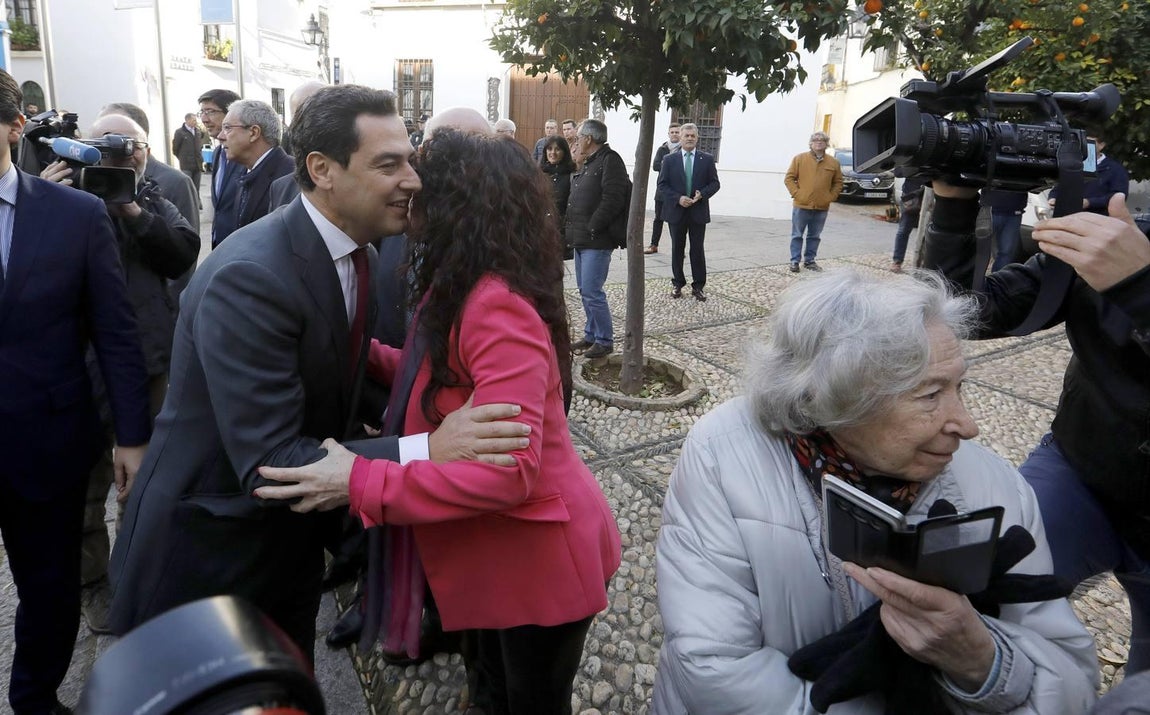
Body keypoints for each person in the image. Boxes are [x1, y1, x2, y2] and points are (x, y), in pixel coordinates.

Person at [108, 85, 529, 660]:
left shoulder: (361, 250)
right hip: (212, 565)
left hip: (283, 552)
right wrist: (426, 449)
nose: (413, 179)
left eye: (410, 159)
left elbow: (338, 372)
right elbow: (273, 462)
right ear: (322, 169)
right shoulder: (253, 277)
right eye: (389, 164)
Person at [254, 128, 621, 715]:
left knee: (525, 702)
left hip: (538, 561)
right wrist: (353, 345)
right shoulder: (464, 283)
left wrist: (361, 479)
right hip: (496, 553)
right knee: (489, 690)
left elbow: (508, 473)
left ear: (458, 204)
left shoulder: (496, 304)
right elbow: (436, 371)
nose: (407, 195)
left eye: (421, 186)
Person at [652, 269, 1099, 714]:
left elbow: (1072, 682)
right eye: (929, 395)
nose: (968, 425)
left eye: (958, 386)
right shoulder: (723, 455)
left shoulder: (997, 487)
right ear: (834, 400)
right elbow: (713, 670)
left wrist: (982, 661)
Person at [921, 180, 1150, 673]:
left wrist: (1140, 290)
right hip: (1082, 474)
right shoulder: (1126, 236)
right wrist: (955, 205)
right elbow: (963, 313)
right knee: (977, 596)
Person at [0, 69, 151, 715]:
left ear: (12, 126)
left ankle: (35, 699)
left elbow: (117, 333)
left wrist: (133, 435)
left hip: (49, 440)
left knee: (52, 586)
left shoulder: (76, 214)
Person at [38, 112, 199, 636]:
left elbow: (181, 256)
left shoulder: (149, 196)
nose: (111, 156)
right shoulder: (52, 199)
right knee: (83, 488)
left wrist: (132, 208)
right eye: (99, 146)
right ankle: (92, 587)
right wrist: (44, 200)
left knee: (143, 482)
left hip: (144, 360)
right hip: (72, 366)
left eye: (123, 145)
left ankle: (134, 579)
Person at [566, 119, 629, 359]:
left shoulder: (610, 160)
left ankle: (605, 340)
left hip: (597, 239)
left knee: (593, 291)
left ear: (589, 139)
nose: (576, 140)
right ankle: (591, 334)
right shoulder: (591, 161)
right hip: (583, 239)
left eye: (578, 136)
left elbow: (613, 198)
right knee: (584, 290)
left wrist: (593, 225)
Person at [212, 99, 295, 247]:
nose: (220, 136)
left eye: (228, 128)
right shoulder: (245, 170)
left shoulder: (292, 176)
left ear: (254, 132)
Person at [657, 122, 719, 301]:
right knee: (677, 248)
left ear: (697, 138)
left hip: (698, 211)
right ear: (680, 138)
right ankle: (678, 283)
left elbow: (715, 183)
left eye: (693, 136)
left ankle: (698, 286)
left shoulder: (706, 159)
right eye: (687, 136)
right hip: (677, 211)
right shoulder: (670, 159)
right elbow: (662, 185)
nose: (690, 138)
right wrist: (678, 198)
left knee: (697, 249)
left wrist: (703, 194)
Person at [784, 131, 842, 272]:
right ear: (811, 143)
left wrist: (830, 197)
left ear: (826, 144)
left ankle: (810, 261)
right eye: (815, 140)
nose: (819, 142)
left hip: (821, 206)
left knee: (814, 236)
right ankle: (794, 261)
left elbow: (838, 183)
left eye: (822, 140)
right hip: (801, 205)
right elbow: (789, 178)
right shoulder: (799, 159)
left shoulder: (833, 163)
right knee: (797, 235)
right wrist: (797, 194)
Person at [199, 88, 244, 248]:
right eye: (202, 112)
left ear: (231, 114)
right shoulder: (218, 152)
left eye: (210, 111)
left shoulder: (246, 155)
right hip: (220, 243)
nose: (204, 119)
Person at [1049, 136, 1130, 215]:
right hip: (1067, 216)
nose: (1085, 146)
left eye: (1089, 143)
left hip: (1097, 219)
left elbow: (1118, 196)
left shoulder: (1115, 169)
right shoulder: (1074, 164)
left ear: (1101, 145)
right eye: (1083, 142)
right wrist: (1053, 198)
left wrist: (1089, 202)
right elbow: (1059, 187)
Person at [645, 122, 680, 255]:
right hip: (661, 191)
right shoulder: (662, 148)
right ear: (669, 134)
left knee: (675, 220)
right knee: (658, 218)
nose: (675, 134)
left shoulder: (683, 150)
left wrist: (666, 164)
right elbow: (655, 165)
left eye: (677, 132)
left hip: (677, 191)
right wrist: (670, 165)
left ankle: (677, 248)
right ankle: (654, 245)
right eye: (672, 132)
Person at [539, 134, 575, 259]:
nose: (553, 153)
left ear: (564, 152)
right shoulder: (538, 173)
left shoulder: (571, 175)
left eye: (557, 149)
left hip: (562, 230)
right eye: (549, 149)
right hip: (540, 230)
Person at [981, 189, 1028, 271]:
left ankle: (997, 279)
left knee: (1007, 252)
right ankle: (973, 279)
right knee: (979, 250)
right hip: (989, 211)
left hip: (1014, 214)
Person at [890, 176, 925, 272]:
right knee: (903, 230)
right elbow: (899, 172)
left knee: (930, 231)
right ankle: (897, 261)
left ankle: (926, 262)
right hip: (911, 196)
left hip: (930, 195)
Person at [171, 112, 209, 192]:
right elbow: (175, 149)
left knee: (196, 190)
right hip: (186, 166)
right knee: (188, 190)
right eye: (194, 120)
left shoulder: (198, 131)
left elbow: (199, 146)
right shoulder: (180, 132)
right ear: (187, 120)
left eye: (196, 120)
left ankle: (197, 204)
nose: (196, 122)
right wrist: (183, 158)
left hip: (198, 165)